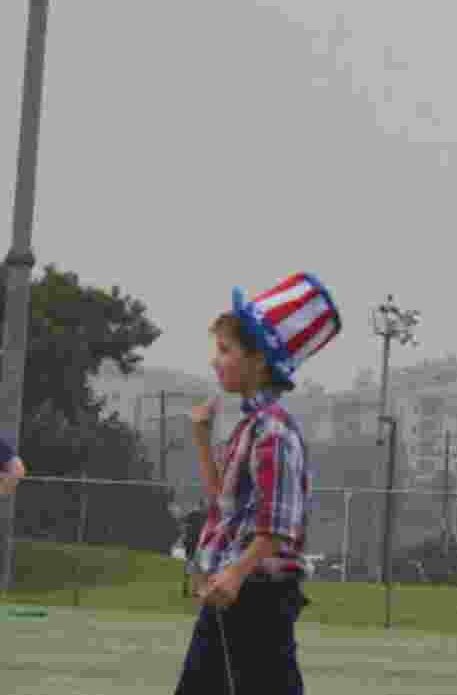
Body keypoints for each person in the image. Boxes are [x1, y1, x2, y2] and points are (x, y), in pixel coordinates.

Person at [174, 271, 342, 695]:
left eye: (225, 349)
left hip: (258, 597)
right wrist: (201, 437)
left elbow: (277, 527)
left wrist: (233, 574)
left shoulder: (273, 431)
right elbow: (222, 506)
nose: (215, 359)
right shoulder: (250, 427)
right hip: (235, 592)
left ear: (259, 361)